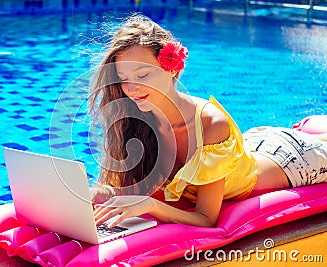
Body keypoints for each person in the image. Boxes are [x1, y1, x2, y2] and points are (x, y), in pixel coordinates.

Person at [88, 14, 327, 228]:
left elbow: (206, 218)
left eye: (143, 75)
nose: (131, 88)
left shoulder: (211, 125)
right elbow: (119, 186)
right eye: (123, 78)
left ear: (171, 67)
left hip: (294, 160)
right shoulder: (134, 121)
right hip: (254, 145)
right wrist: (89, 193)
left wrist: (150, 205)